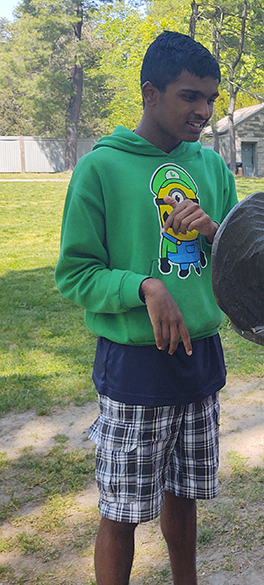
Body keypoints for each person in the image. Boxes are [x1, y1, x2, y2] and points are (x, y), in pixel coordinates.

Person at [55, 31, 239, 585]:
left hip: (201, 360)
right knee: (124, 510)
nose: (203, 112)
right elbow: (76, 273)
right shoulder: (101, 168)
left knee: (184, 497)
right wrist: (145, 288)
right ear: (150, 93)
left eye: (210, 98)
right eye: (189, 97)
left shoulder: (211, 169)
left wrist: (213, 230)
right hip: (136, 367)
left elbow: (242, 259)